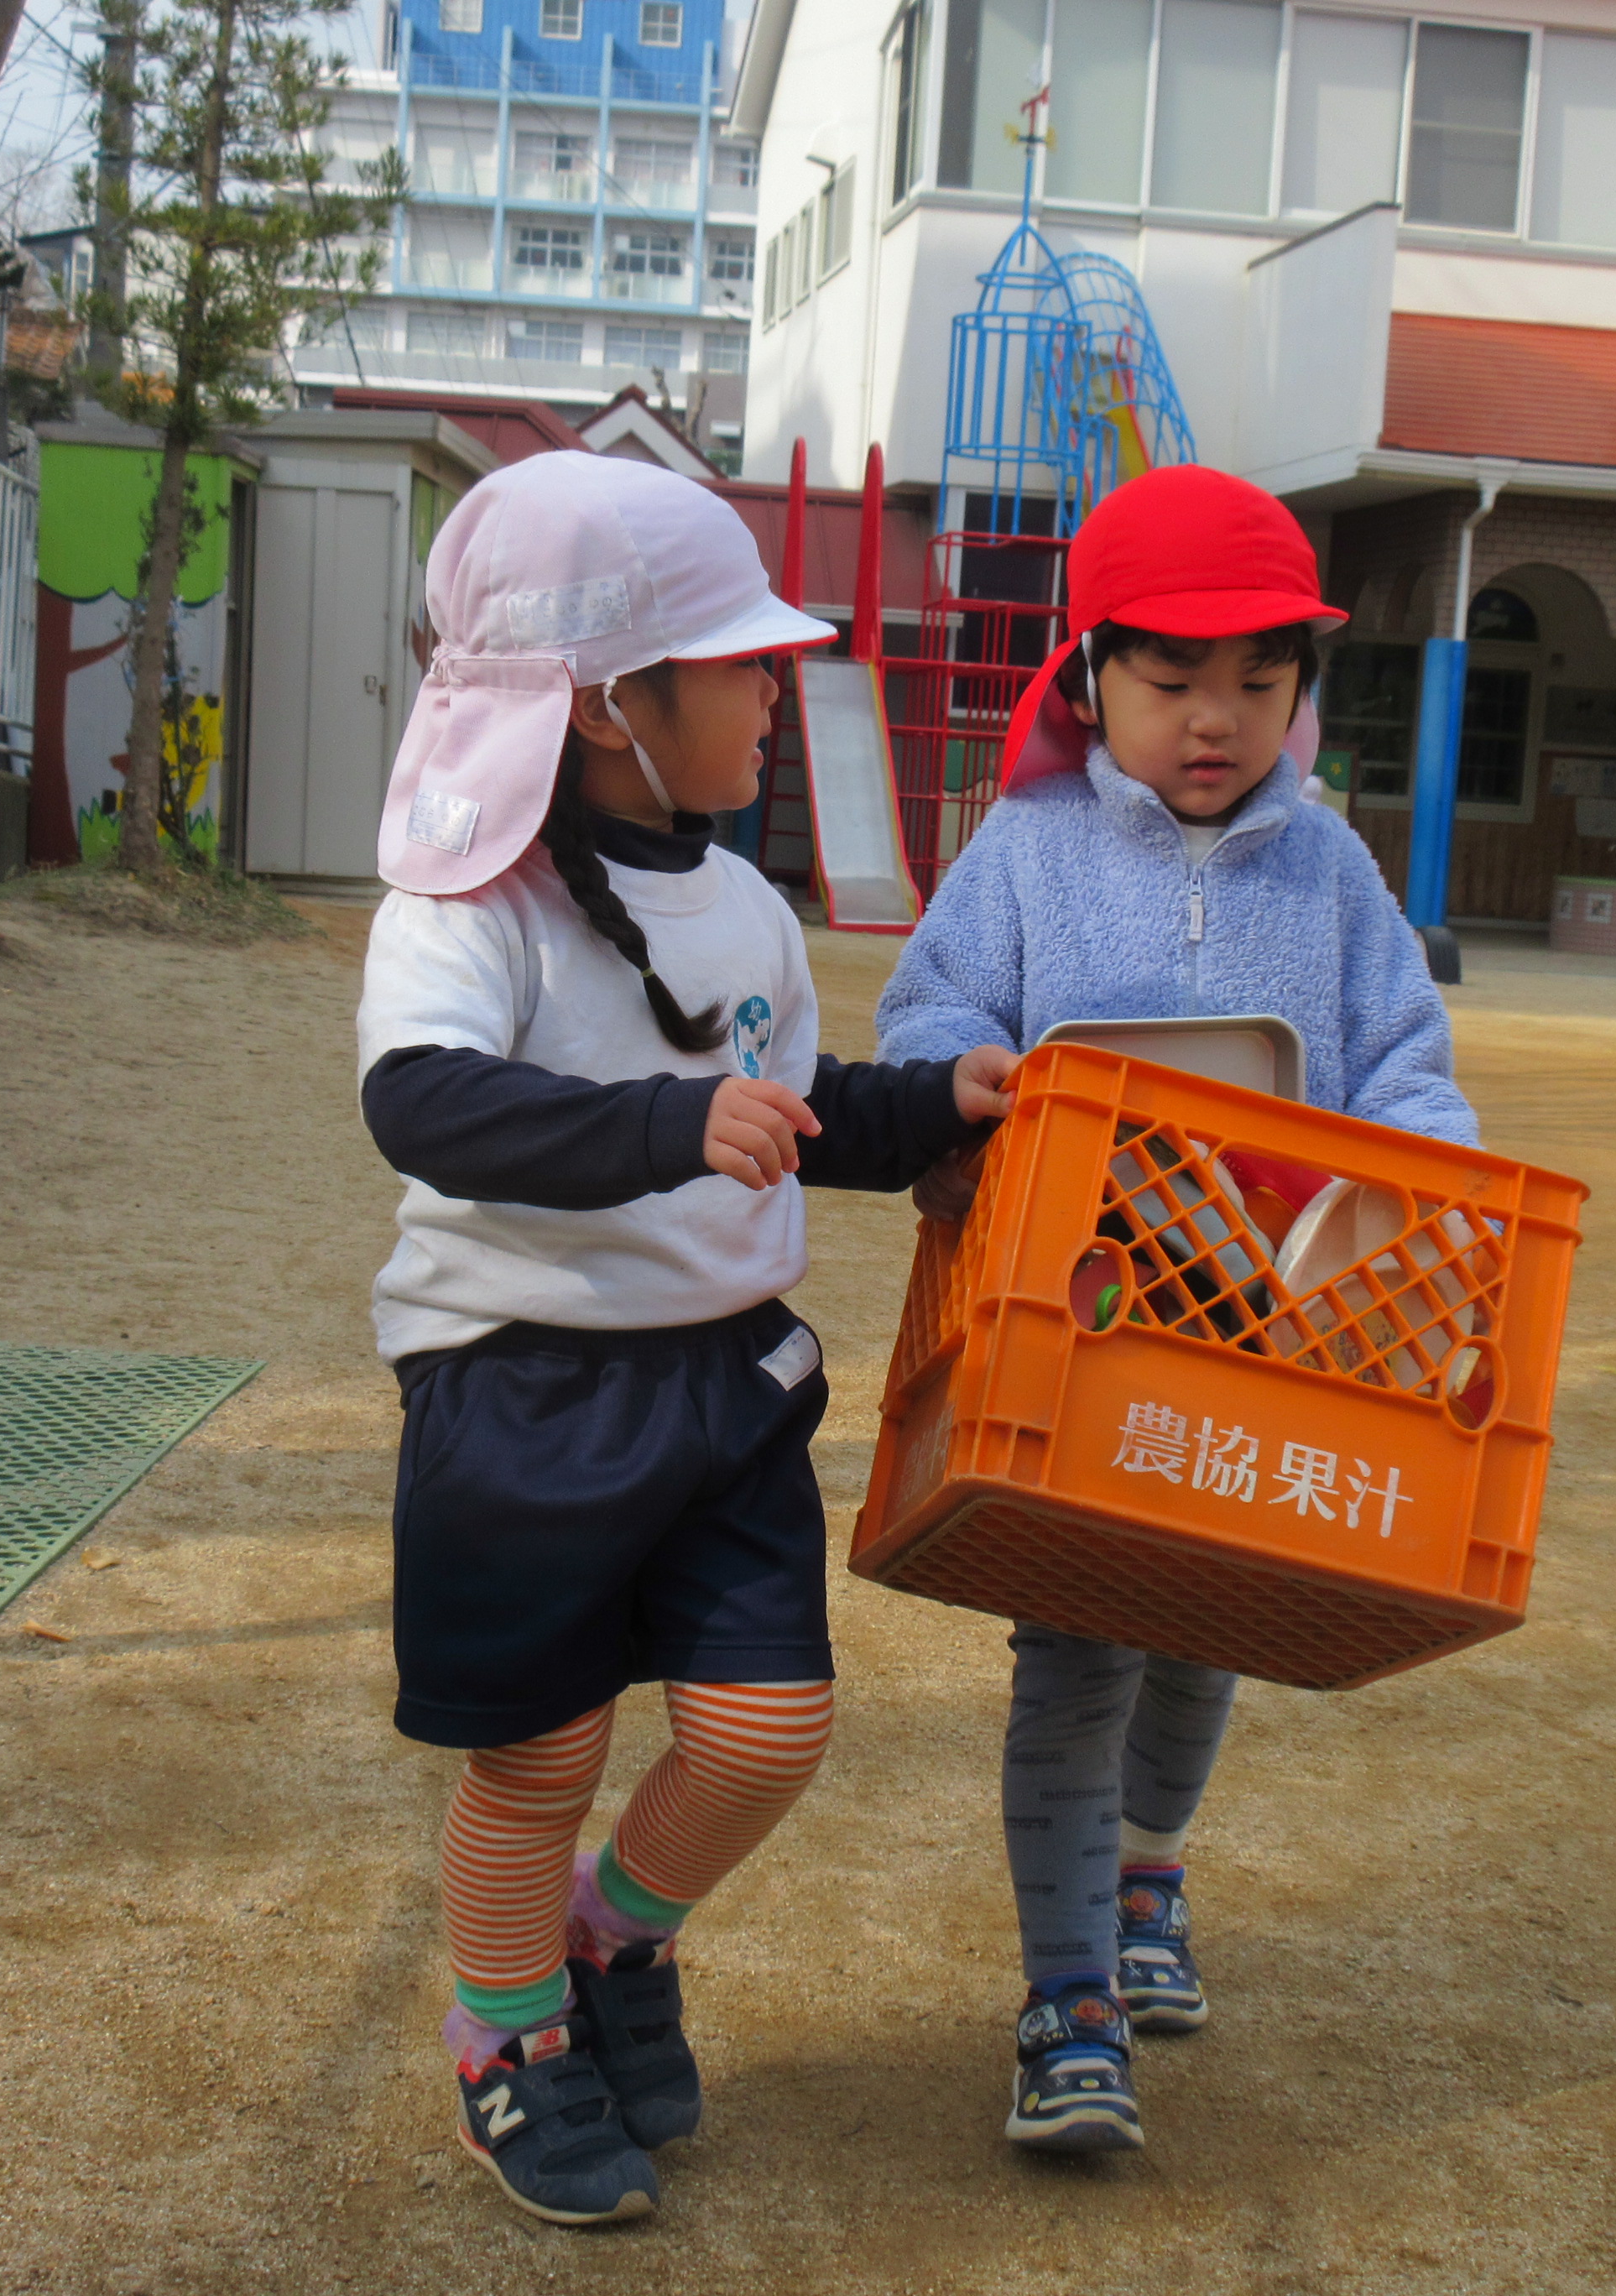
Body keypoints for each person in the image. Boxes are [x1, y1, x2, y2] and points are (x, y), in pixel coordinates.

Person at [357, 452, 1016, 2226]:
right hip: (520, 1386)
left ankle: (613, 1938)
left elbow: (785, 1108)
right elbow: (422, 1103)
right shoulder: (467, 900)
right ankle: (507, 2036)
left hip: (726, 1385)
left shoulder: (748, 908)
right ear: (603, 710)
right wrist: (666, 1125)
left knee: (764, 1733)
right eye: (739, 663)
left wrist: (928, 1108)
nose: (776, 690)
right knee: (540, 1757)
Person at [873, 464, 1479, 2152]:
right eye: (1172, 677)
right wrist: (964, 1083)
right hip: (1075, 1324)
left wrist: (1426, 1178)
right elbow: (928, 1012)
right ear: (1090, 675)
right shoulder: (1027, 850)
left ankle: (1149, 1873)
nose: (1217, 719)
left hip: (1274, 1338)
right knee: (1077, 1656)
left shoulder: (1332, 869)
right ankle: (1068, 2000)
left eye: (1260, 681)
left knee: (1210, 1631)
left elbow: (1406, 1063)